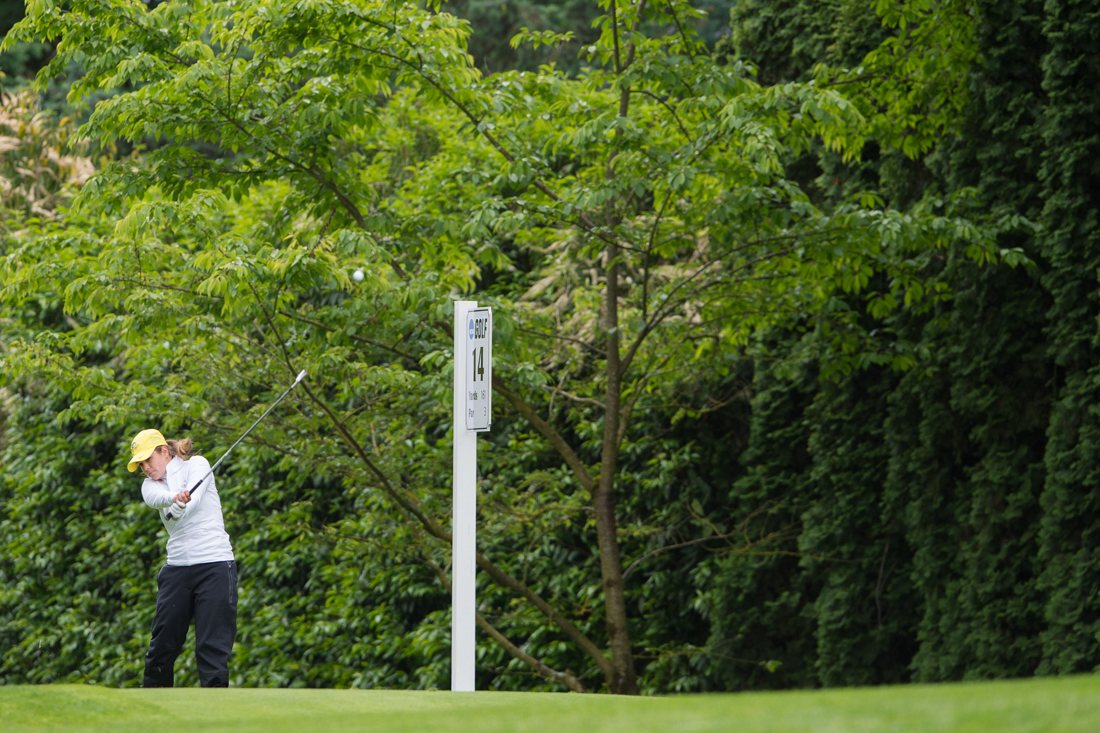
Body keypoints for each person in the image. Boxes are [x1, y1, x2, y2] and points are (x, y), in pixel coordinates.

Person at [128, 428, 237, 688]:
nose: (145, 468)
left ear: (164, 451)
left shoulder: (198, 465)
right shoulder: (150, 485)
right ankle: (152, 712)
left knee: (212, 650)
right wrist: (173, 500)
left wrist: (181, 503)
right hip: (177, 570)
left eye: (147, 460)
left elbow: (194, 500)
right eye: (140, 464)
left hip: (215, 566)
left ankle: (216, 717)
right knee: (162, 646)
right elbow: (158, 500)